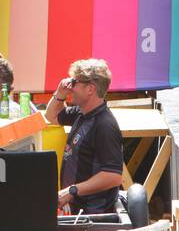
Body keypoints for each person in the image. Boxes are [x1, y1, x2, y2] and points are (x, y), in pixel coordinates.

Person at [44, 58, 124, 217]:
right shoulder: (81, 113)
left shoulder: (104, 125)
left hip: (92, 215)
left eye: (74, 82)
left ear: (90, 89)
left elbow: (114, 176)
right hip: (74, 210)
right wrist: (60, 95)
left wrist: (73, 190)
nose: (70, 87)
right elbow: (51, 115)